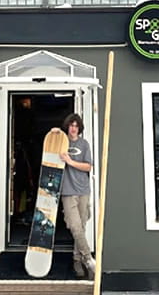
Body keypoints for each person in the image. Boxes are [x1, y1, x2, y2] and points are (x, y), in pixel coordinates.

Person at [56, 113, 95, 279]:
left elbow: (88, 167)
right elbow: (50, 144)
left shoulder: (84, 144)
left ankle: (77, 260)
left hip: (83, 191)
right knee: (75, 226)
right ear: (68, 126)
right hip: (67, 191)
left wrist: (70, 161)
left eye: (76, 125)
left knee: (82, 227)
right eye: (71, 125)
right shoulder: (61, 142)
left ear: (79, 128)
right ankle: (89, 259)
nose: (73, 128)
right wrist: (54, 131)